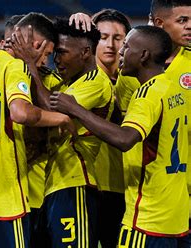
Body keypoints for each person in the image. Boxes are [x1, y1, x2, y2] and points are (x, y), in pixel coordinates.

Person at [50, 25, 189, 248]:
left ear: (143, 55)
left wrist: (76, 110)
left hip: (147, 218)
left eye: (126, 46)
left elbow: (126, 139)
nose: (120, 52)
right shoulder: (174, 89)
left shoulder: (147, 93)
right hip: (178, 218)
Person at [0, 13, 76, 248]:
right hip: (6, 197)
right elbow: (21, 113)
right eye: (47, 54)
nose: (44, 62)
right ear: (36, 45)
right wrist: (61, 118)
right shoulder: (16, 66)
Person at [11, 18, 113, 247]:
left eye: (62, 52)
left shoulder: (96, 82)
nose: (56, 60)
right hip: (56, 184)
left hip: (76, 183)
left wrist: (29, 63)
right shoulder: (67, 83)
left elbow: (49, 106)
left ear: (85, 52)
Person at [69, 9, 131, 248]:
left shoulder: (137, 81)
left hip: (123, 186)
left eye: (118, 38)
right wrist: (77, 23)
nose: (111, 44)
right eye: (103, 37)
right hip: (87, 184)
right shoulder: (78, 78)